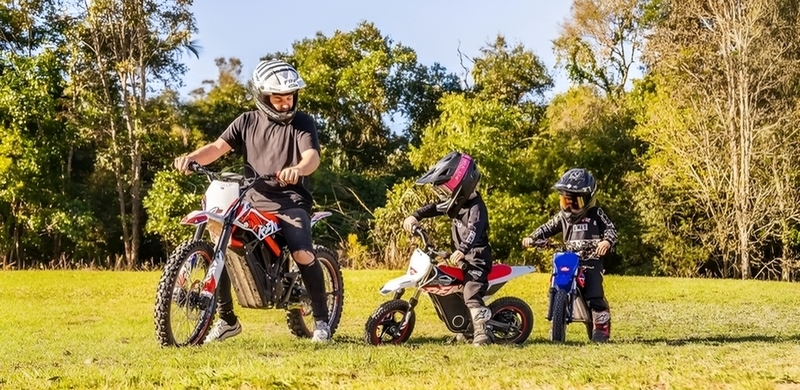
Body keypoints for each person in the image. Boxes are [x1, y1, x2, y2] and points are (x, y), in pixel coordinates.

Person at [173, 59, 331, 343]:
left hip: (290, 202)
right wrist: (191, 159)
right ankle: (227, 320)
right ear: (262, 96)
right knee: (222, 243)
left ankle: (321, 321)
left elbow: (312, 157)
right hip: (250, 200)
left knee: (302, 253)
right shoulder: (246, 121)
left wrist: (298, 169)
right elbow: (216, 148)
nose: (285, 103)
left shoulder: (303, 122)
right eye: (278, 98)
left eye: (289, 97)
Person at [402, 151, 494, 346]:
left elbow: (473, 231)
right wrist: (415, 216)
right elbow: (435, 208)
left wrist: (461, 249)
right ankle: (463, 327)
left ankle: (481, 332)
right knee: (448, 287)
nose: (444, 195)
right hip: (461, 260)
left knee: (471, 291)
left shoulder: (476, 208)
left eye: (446, 190)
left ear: (462, 185)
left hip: (476, 260)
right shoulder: (457, 203)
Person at [522, 168, 617, 342]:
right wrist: (532, 237)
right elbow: (547, 228)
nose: (570, 207)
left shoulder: (596, 214)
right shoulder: (562, 218)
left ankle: (601, 325)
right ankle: (556, 323)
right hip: (569, 258)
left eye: (575, 202)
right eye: (565, 202)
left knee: (594, 291)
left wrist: (606, 242)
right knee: (558, 283)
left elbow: (611, 229)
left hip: (591, 260)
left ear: (588, 200)